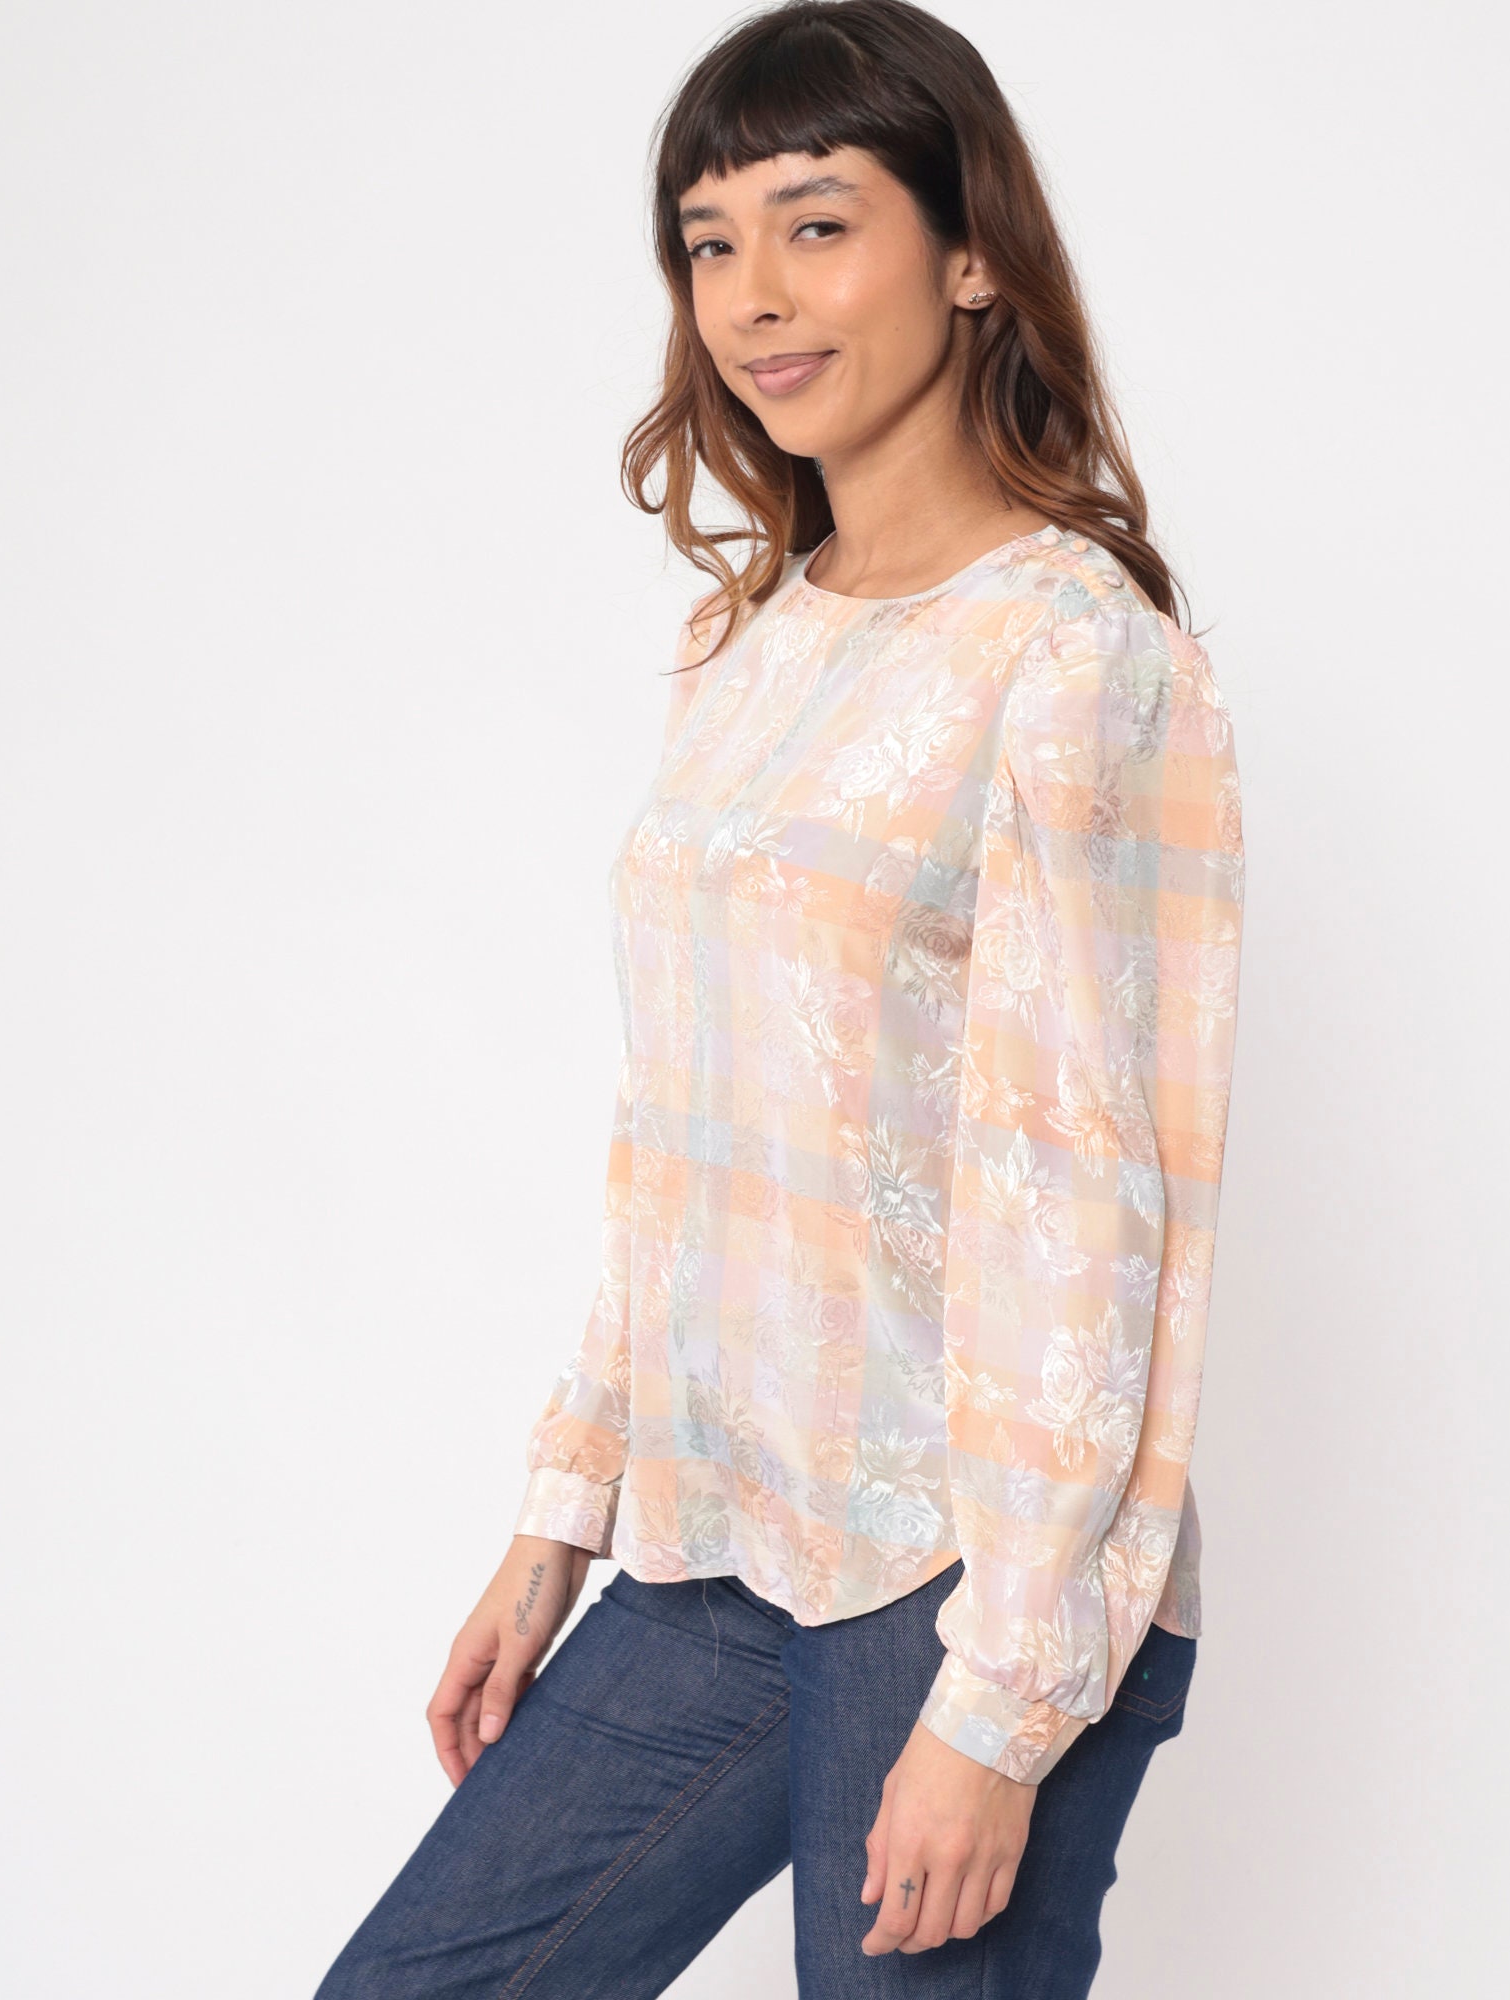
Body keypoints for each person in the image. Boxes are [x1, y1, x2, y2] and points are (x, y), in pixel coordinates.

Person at [316, 3, 1244, 1994]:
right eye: (709, 242)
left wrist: (1003, 1698)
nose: (752, 296)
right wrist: (562, 1514)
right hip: (725, 1542)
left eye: (817, 225)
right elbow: (680, 1135)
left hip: (965, 1571)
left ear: (969, 252)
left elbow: (1094, 1201)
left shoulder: (1077, 656)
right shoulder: (742, 647)